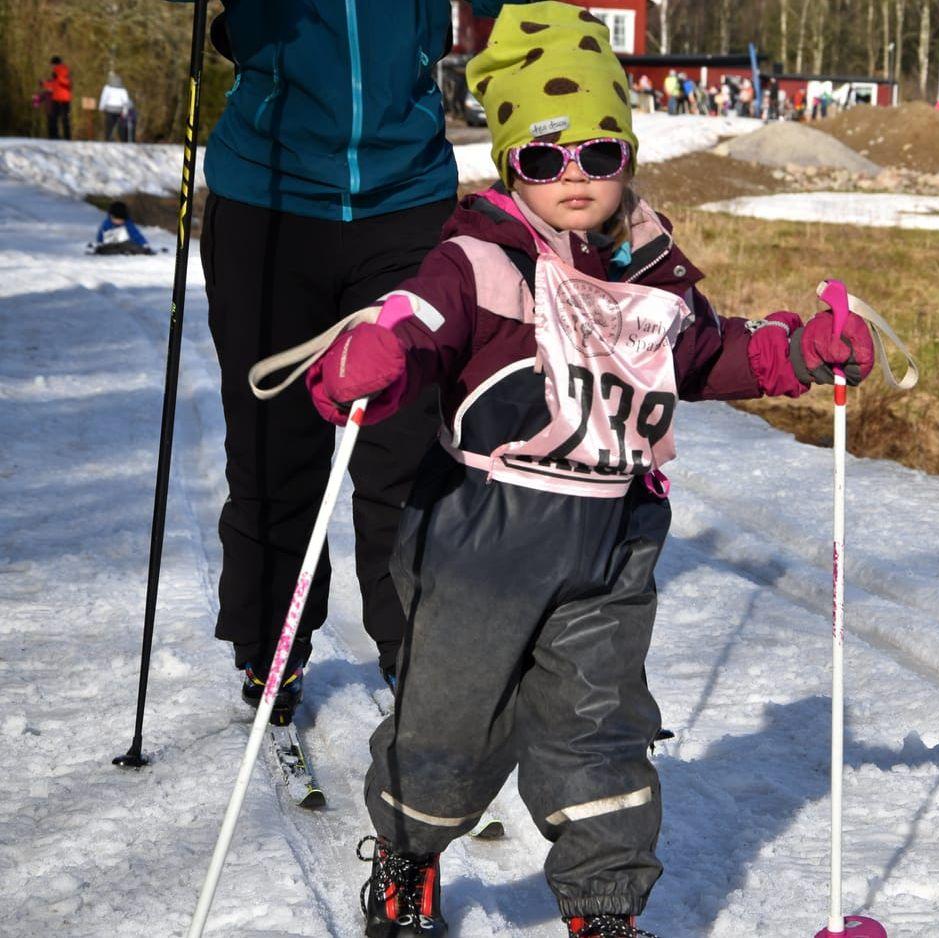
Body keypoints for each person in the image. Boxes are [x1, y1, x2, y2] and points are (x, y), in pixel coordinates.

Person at [299, 5, 881, 936]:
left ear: (626, 159)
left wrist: (799, 352)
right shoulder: (478, 259)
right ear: (508, 165)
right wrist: (374, 353)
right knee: (448, 731)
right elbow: (414, 320)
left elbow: (701, 352)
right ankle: (410, 856)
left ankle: (602, 906)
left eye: (598, 155)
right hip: (481, 540)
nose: (573, 176)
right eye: (542, 156)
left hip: (610, 543)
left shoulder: (649, 274)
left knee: (599, 731)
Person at [168, 0, 519, 726]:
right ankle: (272, 639)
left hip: (407, 196)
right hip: (268, 197)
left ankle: (416, 644)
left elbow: (509, 15)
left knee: (409, 445)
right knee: (275, 442)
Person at [43, 56, 71, 140]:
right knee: (54, 118)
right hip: (56, 97)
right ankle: (54, 136)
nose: (51, 67)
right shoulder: (56, 72)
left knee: (63, 118)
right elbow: (54, 84)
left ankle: (66, 137)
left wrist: (57, 77)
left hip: (64, 98)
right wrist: (44, 84)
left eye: (52, 65)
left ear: (55, 64)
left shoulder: (64, 70)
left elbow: (66, 82)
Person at [98, 72, 131, 142]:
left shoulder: (107, 88)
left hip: (109, 109)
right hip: (119, 109)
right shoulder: (123, 89)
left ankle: (108, 139)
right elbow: (126, 101)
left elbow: (104, 98)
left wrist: (101, 107)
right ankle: (123, 140)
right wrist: (125, 111)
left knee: (109, 126)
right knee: (121, 127)